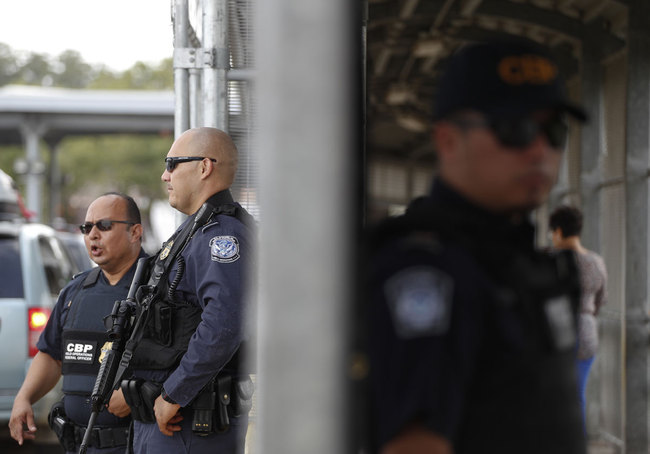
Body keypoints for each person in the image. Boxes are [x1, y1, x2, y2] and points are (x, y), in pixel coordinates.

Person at [364, 39, 589, 454]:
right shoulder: (428, 271)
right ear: (448, 140)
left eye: (554, 129)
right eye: (514, 129)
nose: (540, 149)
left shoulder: (511, 258)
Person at [123, 127, 255, 453]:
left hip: (189, 421)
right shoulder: (195, 229)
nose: (164, 175)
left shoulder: (221, 237)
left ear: (204, 167)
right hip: (170, 415)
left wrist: (174, 394)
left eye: (172, 164)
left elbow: (224, 322)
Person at [8, 192, 146, 453]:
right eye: (87, 227)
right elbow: (51, 355)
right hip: (79, 443)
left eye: (104, 225)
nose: (93, 234)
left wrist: (138, 395)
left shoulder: (158, 289)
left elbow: (184, 361)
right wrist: (24, 398)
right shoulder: (76, 291)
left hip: (135, 443)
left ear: (135, 232)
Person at [549, 205, 607, 428]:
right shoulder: (596, 262)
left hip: (555, 331)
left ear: (558, 232)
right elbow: (601, 299)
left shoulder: (551, 260)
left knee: (552, 395)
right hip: (586, 330)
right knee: (578, 394)